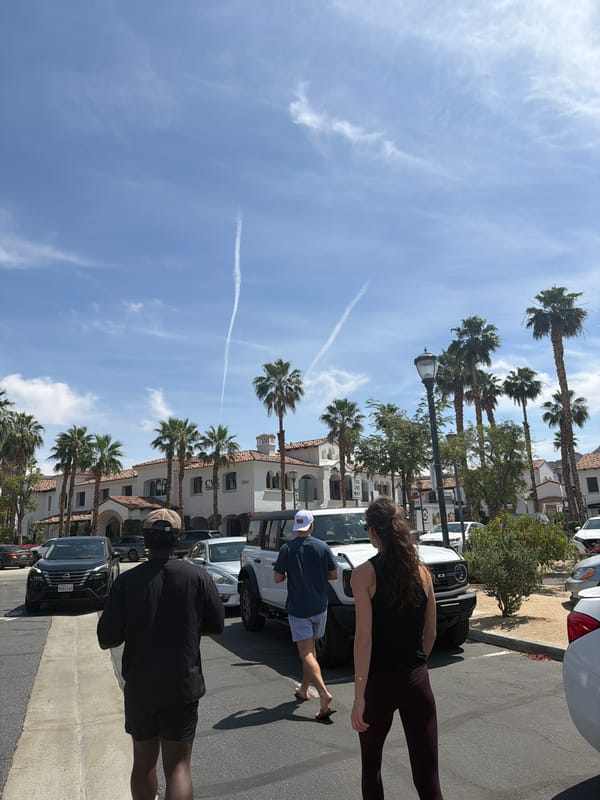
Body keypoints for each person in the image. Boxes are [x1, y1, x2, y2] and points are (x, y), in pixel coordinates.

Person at [97, 508, 224, 800]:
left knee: (143, 763)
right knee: (178, 767)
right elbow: (216, 626)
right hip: (182, 684)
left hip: (141, 687)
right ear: (179, 539)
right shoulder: (198, 577)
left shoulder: (126, 582)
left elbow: (107, 638)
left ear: (145, 540)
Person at [350, 498, 443, 800]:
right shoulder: (423, 572)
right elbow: (431, 633)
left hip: (379, 683)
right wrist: (415, 666)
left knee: (371, 767)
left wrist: (358, 697)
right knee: (428, 777)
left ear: (373, 532)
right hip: (417, 680)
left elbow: (364, 639)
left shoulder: (364, 574)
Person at [273, 509, 338, 720]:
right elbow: (334, 574)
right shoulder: (322, 546)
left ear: (296, 526)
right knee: (310, 652)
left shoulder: (287, 549)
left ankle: (323, 693)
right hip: (320, 606)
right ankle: (303, 688)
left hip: (299, 608)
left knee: (306, 653)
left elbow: (277, 578)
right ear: (311, 526)